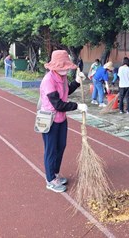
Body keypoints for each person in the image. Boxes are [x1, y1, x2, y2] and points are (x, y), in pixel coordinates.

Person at [39, 50, 87, 193]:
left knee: (61, 147)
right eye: (63, 67)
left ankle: (55, 173)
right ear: (55, 66)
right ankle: (50, 179)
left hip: (61, 119)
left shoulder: (63, 77)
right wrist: (77, 106)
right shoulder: (48, 81)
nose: (66, 69)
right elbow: (58, 104)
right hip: (50, 120)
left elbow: (66, 91)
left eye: (67, 66)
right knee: (51, 150)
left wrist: (77, 83)